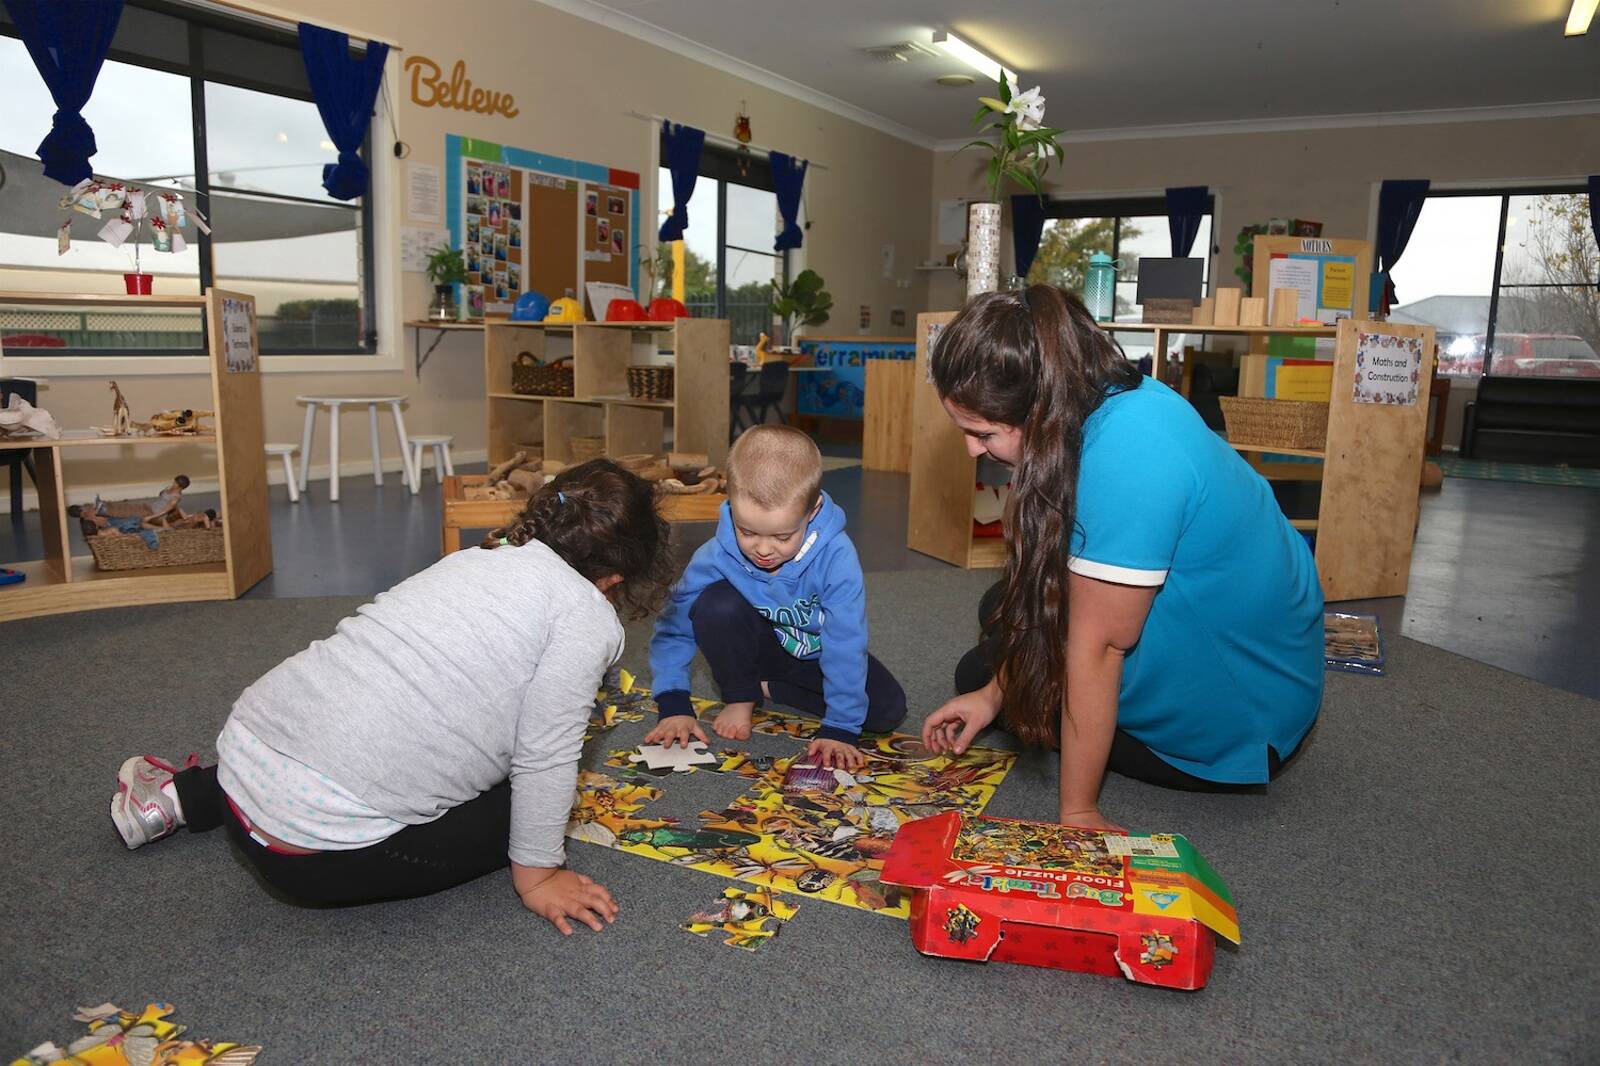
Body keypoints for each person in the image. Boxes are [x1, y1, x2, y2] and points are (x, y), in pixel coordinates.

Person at [108, 459, 675, 935]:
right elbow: (546, 755)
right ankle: (213, 800)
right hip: (310, 863)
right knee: (527, 801)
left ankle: (179, 795)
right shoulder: (587, 617)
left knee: (363, 709)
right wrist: (540, 875)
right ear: (615, 579)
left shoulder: (478, 557)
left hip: (243, 760)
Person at [921, 286, 1324, 830]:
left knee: (986, 659)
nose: (972, 449)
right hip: (1263, 665)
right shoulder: (1117, 397)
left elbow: (1100, 648)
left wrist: (1078, 810)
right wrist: (995, 696)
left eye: (984, 433)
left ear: (1040, 409)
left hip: (1243, 726)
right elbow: (1051, 597)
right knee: (997, 627)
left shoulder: (1127, 456)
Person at [643, 425, 906, 770]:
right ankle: (742, 693)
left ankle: (770, 689)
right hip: (757, 648)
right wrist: (674, 701)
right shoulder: (716, 554)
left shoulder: (837, 556)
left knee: (888, 710)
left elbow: (845, 640)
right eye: (747, 531)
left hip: (817, 653)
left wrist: (841, 727)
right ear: (731, 505)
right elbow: (674, 625)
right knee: (714, 605)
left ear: (811, 512)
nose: (763, 550)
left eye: (782, 536)